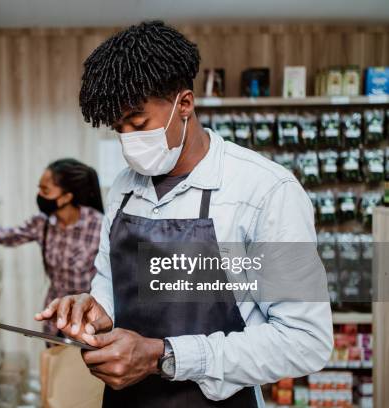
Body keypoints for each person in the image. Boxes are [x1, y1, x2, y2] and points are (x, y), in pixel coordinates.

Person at [35, 21, 333, 407]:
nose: (128, 140)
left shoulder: (264, 191)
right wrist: (98, 309)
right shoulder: (125, 187)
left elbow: (305, 341)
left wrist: (163, 355)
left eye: (138, 123)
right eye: (118, 128)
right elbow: (113, 279)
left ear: (185, 104)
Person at [0, 158, 104, 336]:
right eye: (39, 188)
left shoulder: (98, 225)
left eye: (45, 190)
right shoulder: (43, 223)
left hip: (86, 320)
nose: (39, 195)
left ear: (66, 197)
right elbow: (10, 236)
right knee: (53, 362)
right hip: (55, 318)